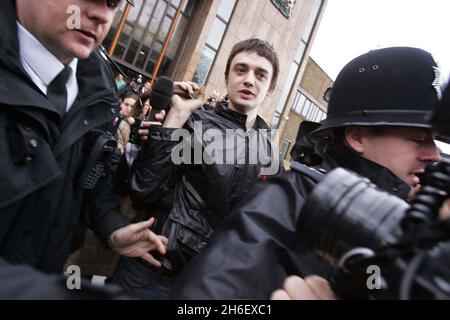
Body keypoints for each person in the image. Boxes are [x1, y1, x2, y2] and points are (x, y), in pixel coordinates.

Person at [172, 46, 442, 299]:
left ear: (271, 87)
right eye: (418, 139)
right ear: (357, 137)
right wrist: (169, 126)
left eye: (260, 74)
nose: (435, 155)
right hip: (166, 260)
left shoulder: (265, 143)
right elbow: (149, 186)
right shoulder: (288, 197)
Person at [0, 0, 167, 277]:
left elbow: (93, 183)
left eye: (113, 3)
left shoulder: (100, 93)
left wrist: (113, 227)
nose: (101, 14)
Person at [110, 38, 281, 299]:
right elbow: (144, 190)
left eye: (260, 74)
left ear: (270, 88)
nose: (249, 80)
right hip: (152, 272)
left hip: (209, 287)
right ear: (226, 77)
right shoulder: (195, 123)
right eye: (241, 69)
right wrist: (174, 120)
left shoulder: (268, 150)